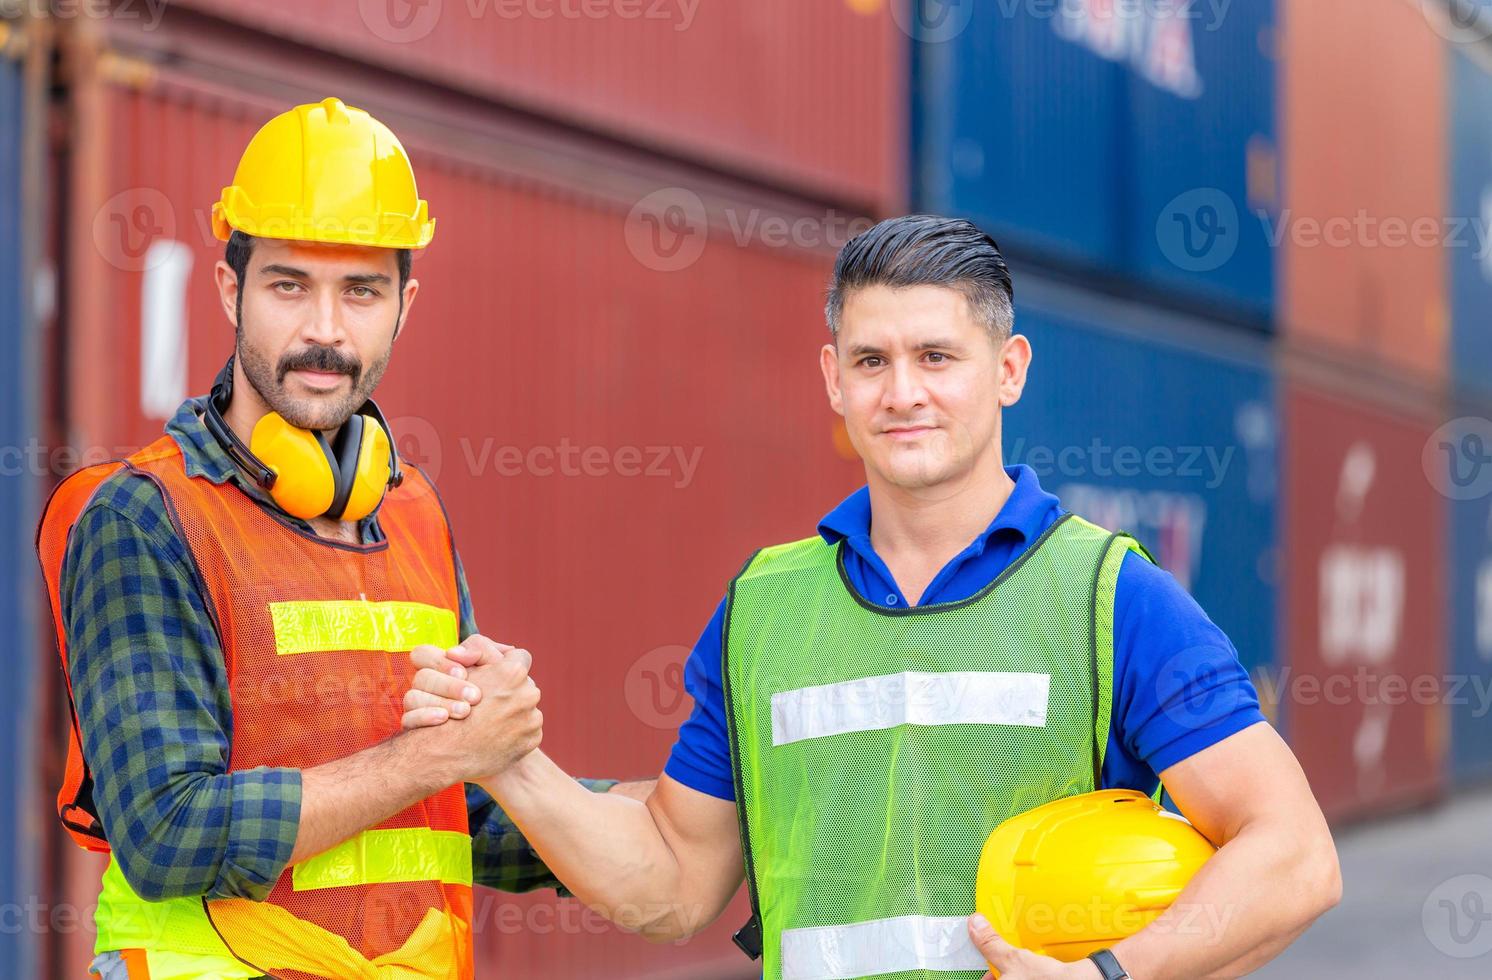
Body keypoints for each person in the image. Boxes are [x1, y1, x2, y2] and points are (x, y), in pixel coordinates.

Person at [402, 215, 1342, 979]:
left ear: (1008, 369)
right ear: (832, 380)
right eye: (871, 361)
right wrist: (508, 763)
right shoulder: (764, 608)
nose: (903, 394)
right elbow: (675, 885)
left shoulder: (1109, 597)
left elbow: (1295, 855)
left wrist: (1114, 975)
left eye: (938, 357)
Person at [38, 97, 644, 980]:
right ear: (229, 289)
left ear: (405, 306)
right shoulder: (145, 518)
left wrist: (665, 812)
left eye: (360, 291)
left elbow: (455, 813)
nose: (325, 330)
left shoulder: (413, 515)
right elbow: (166, 834)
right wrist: (437, 754)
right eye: (290, 285)